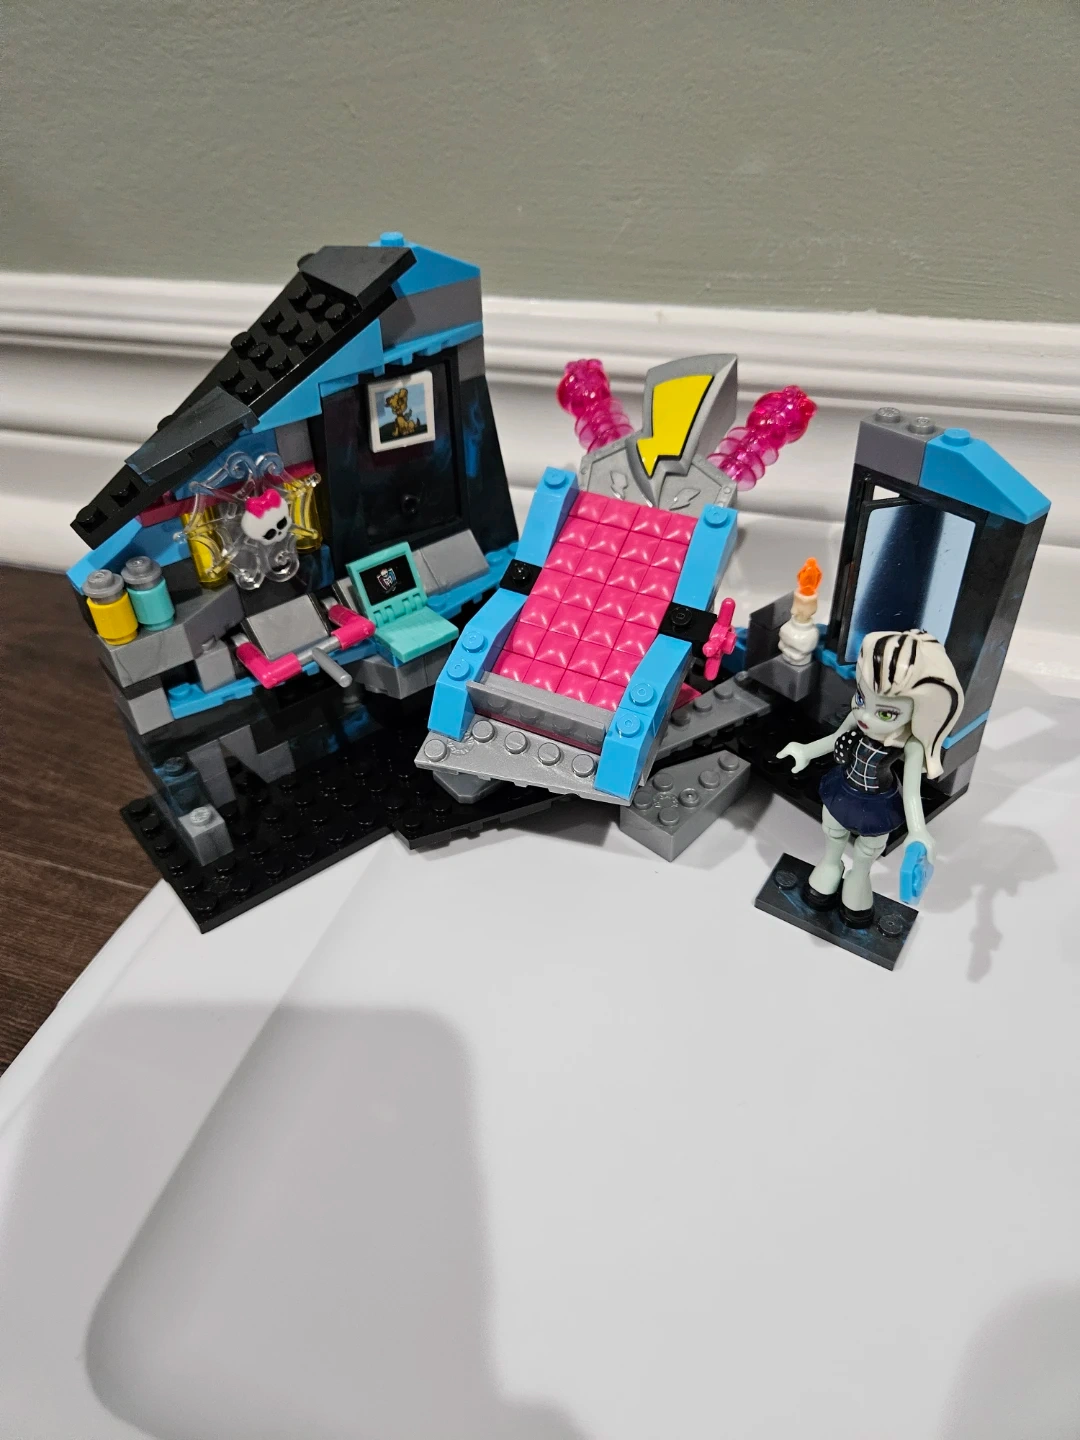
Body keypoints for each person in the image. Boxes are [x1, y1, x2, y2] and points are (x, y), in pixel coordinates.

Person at [777, 629, 963, 926]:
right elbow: (833, 740)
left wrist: (918, 831)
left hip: (878, 804)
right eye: (861, 698)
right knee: (833, 834)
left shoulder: (910, 744)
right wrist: (805, 751)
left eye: (886, 714)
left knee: (866, 851)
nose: (866, 716)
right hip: (843, 789)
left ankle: (859, 880)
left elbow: (912, 792)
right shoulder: (856, 719)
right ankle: (830, 866)